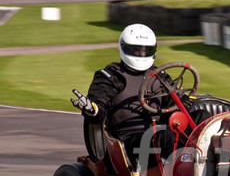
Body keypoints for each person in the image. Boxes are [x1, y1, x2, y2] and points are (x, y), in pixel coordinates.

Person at [71, 23, 175, 168]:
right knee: (165, 136)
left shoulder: (160, 76)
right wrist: (92, 109)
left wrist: (187, 101)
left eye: (146, 51)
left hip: (158, 132)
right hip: (127, 139)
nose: (141, 54)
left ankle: (209, 172)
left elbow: (176, 102)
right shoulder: (110, 76)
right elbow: (99, 104)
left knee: (200, 117)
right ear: (123, 47)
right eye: (136, 50)